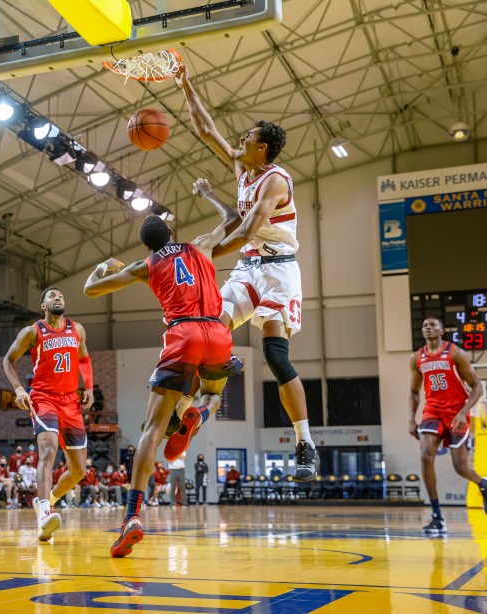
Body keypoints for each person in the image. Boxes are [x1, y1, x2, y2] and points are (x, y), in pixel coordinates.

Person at [176, 62, 317, 481]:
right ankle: (193, 410)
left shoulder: (275, 182)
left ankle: (305, 443)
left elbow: (249, 229)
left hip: (278, 272)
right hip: (249, 268)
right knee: (206, 332)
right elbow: (206, 131)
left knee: (275, 355)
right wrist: (186, 84)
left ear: (263, 150)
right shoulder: (244, 171)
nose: (239, 141)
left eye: (247, 139)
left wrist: (205, 255)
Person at [84, 214, 241, 557]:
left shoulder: (146, 265)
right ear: (171, 232)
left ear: (146, 244)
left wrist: (101, 267)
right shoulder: (198, 244)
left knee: (151, 431)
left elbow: (91, 290)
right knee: (214, 393)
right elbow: (233, 222)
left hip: (183, 334)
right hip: (217, 333)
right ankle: (199, 413)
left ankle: (132, 518)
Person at [3, 286, 94, 541]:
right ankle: (44, 514)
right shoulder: (33, 331)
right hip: (43, 398)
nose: (58, 297)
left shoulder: (77, 330)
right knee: (48, 449)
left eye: (61, 295)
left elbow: (84, 360)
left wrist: (89, 387)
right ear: (43, 305)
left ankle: (49, 500)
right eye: (52, 296)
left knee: (78, 471)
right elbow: (8, 360)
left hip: (71, 402)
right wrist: (19, 389)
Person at [409, 316, 487, 535]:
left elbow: (477, 387)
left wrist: (463, 411)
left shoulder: (455, 353)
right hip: (433, 412)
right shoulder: (417, 358)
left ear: (441, 331)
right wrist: (411, 418)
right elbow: (413, 392)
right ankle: (437, 517)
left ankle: (483, 484)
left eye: (432, 325)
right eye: (424, 325)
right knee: (425, 455)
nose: (428, 327)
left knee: (460, 467)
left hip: (456, 412)